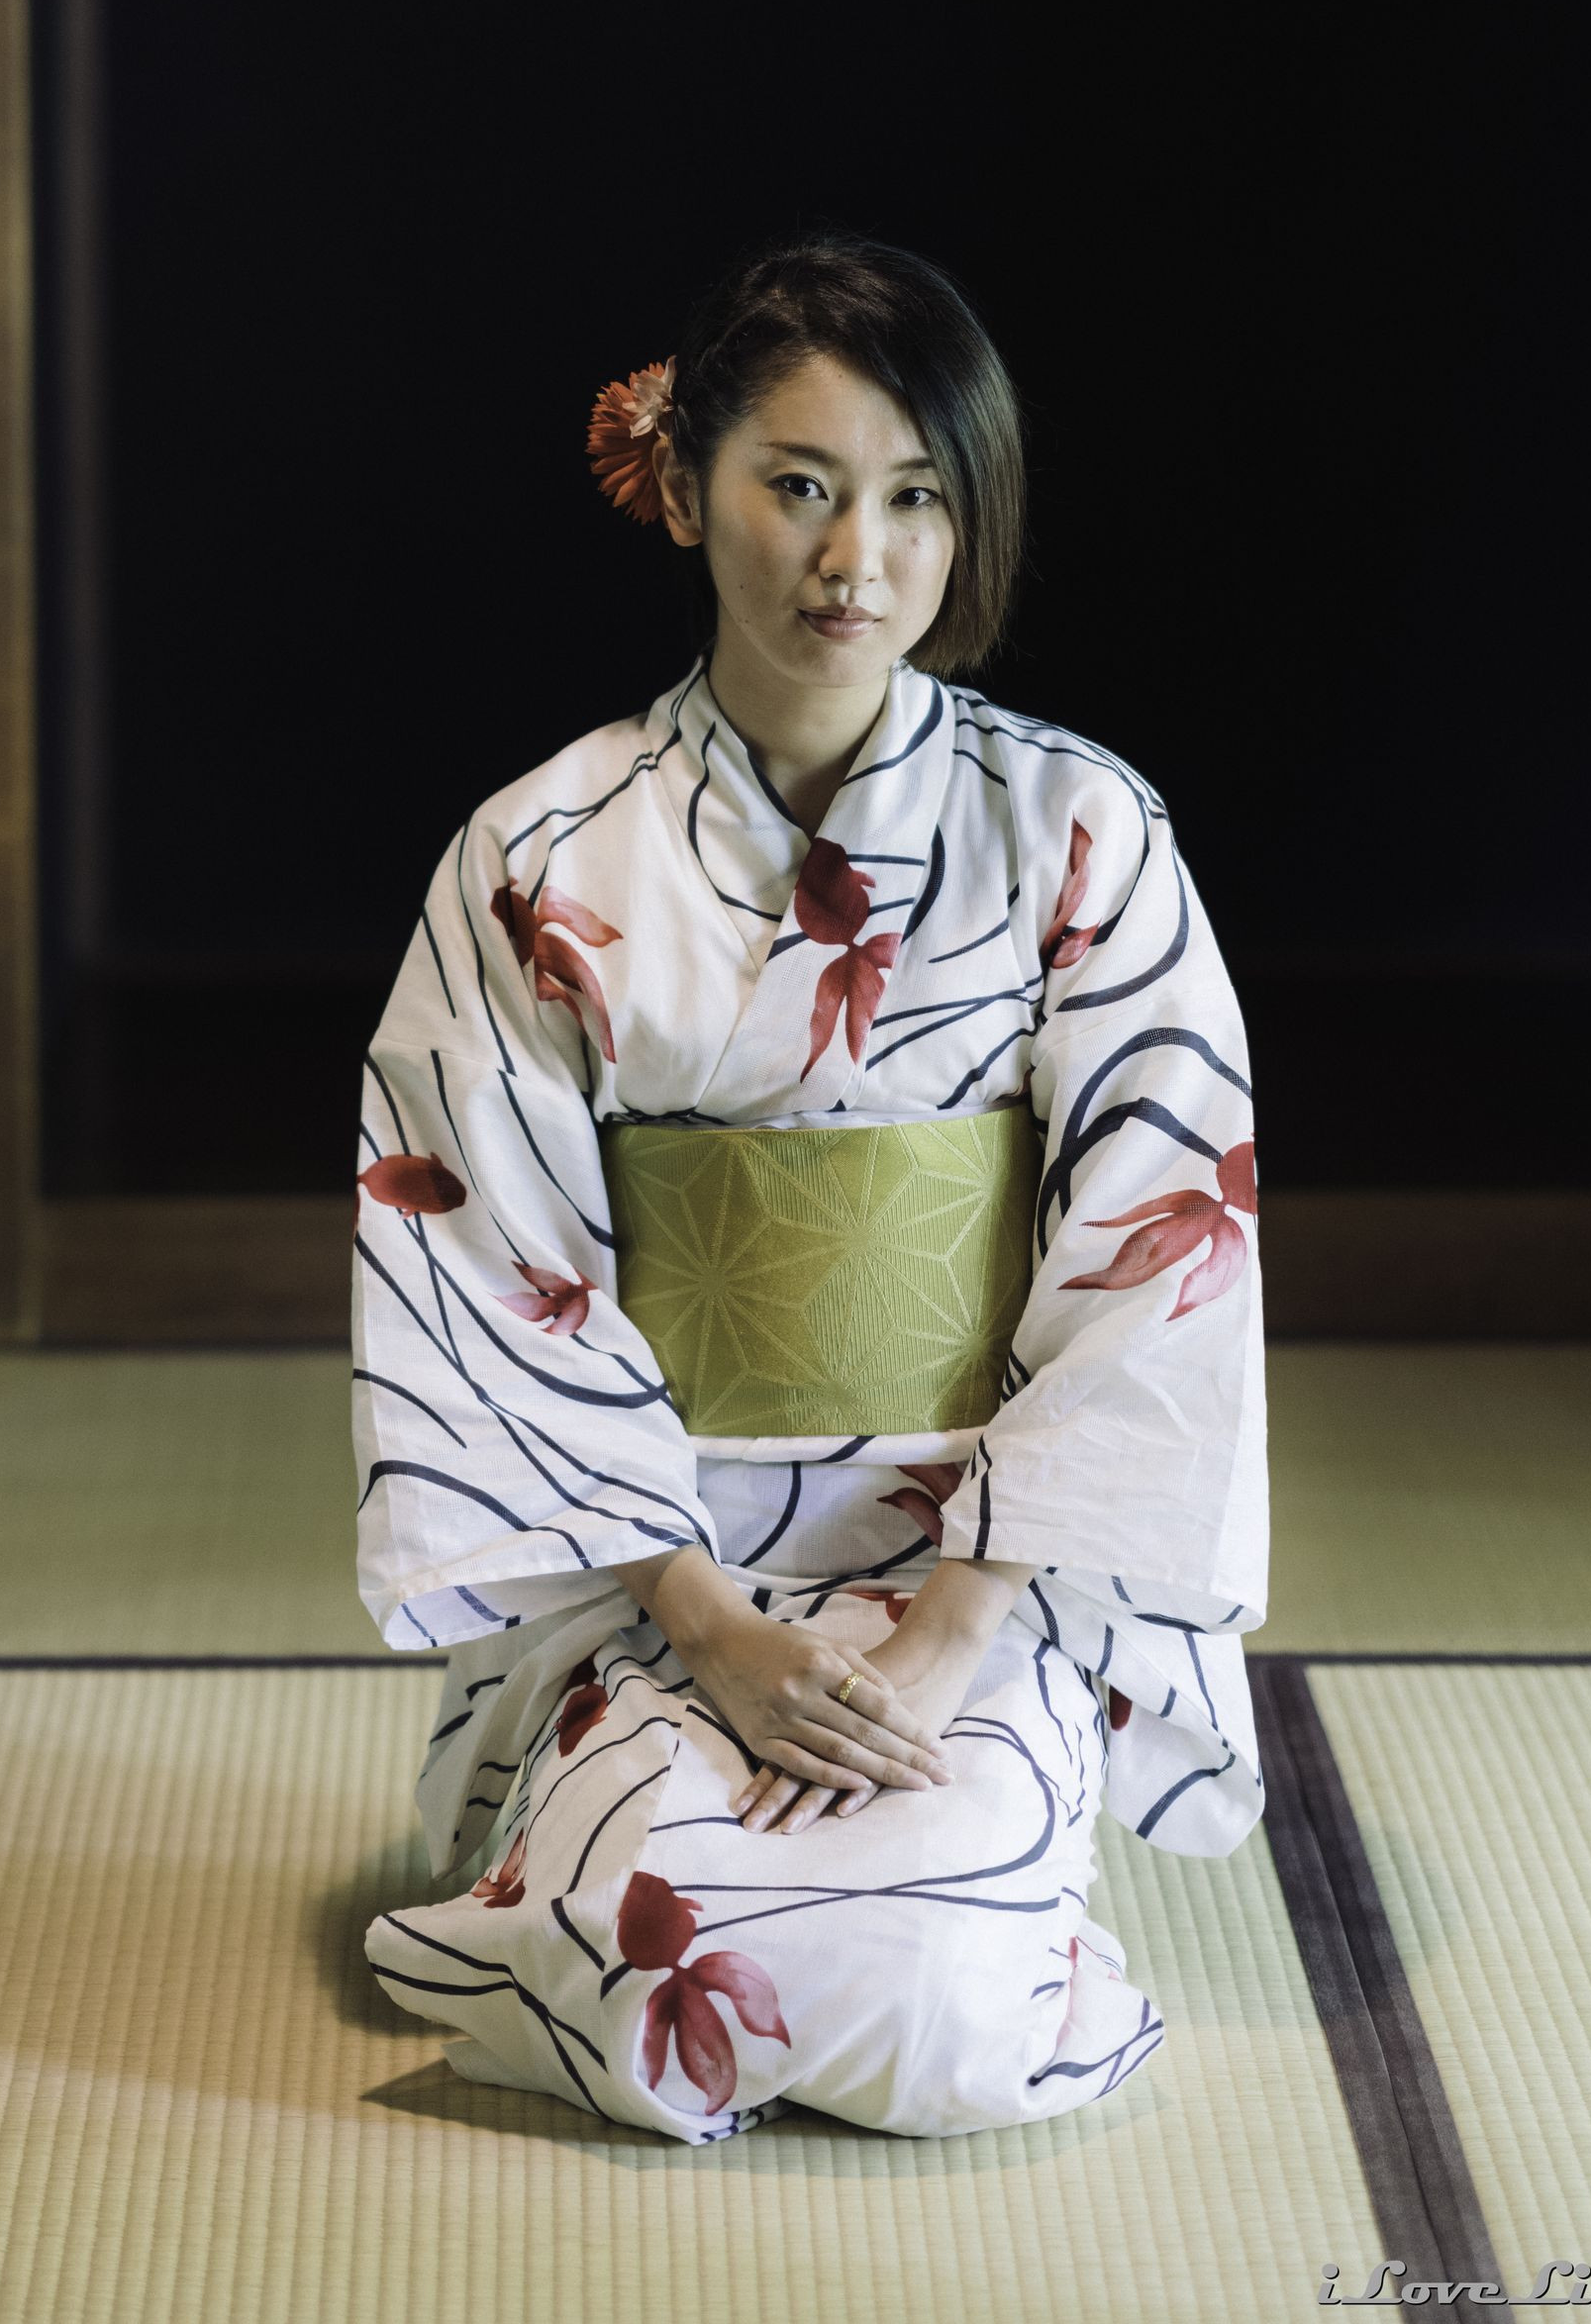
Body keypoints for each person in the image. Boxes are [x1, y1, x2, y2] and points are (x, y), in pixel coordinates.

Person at [350, 236, 1266, 2143]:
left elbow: (1158, 1245)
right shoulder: (536, 853)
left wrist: (946, 1625)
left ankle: (985, 1854)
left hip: (978, 1577)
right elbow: (479, 1255)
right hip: (656, 1577)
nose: (858, 558)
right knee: (655, 1954)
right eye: (800, 486)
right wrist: (710, 1628)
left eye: (916, 497)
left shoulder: (1080, 830)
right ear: (684, 486)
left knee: (937, 1998)